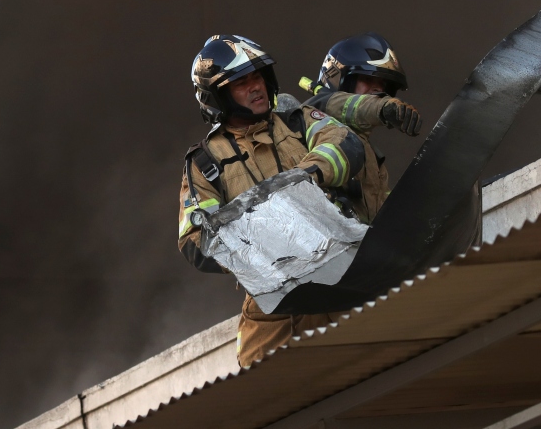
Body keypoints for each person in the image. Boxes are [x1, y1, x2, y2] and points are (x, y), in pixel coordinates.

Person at [177, 35, 422, 367]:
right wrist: (254, 248)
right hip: (272, 305)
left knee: (368, 367)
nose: (256, 87)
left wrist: (304, 176)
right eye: (242, 83)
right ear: (217, 96)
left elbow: (342, 143)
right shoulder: (204, 162)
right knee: (265, 396)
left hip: (338, 275)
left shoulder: (295, 118)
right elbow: (194, 242)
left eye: (258, 77)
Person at [298, 32, 417, 221]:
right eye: (368, 80)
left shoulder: (373, 158)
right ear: (338, 79)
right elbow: (341, 104)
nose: (379, 90)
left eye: (384, 85)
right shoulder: (310, 117)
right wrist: (383, 107)